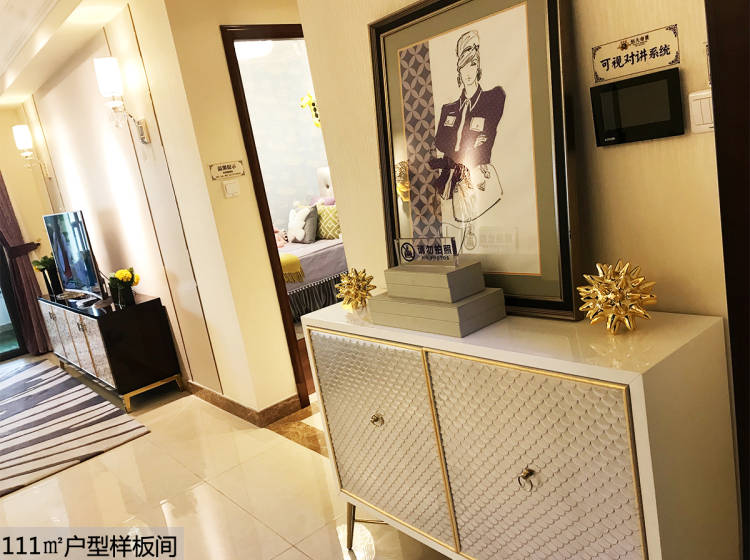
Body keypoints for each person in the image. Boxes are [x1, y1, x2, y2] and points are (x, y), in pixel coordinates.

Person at [430, 30, 506, 247]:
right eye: (463, 66)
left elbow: (486, 139)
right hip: (450, 178)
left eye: (472, 65)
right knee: (452, 234)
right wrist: (466, 147)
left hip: (477, 177)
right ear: (458, 70)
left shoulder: (492, 99)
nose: (468, 72)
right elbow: (440, 141)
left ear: (478, 67)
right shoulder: (449, 109)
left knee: (477, 232)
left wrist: (460, 150)